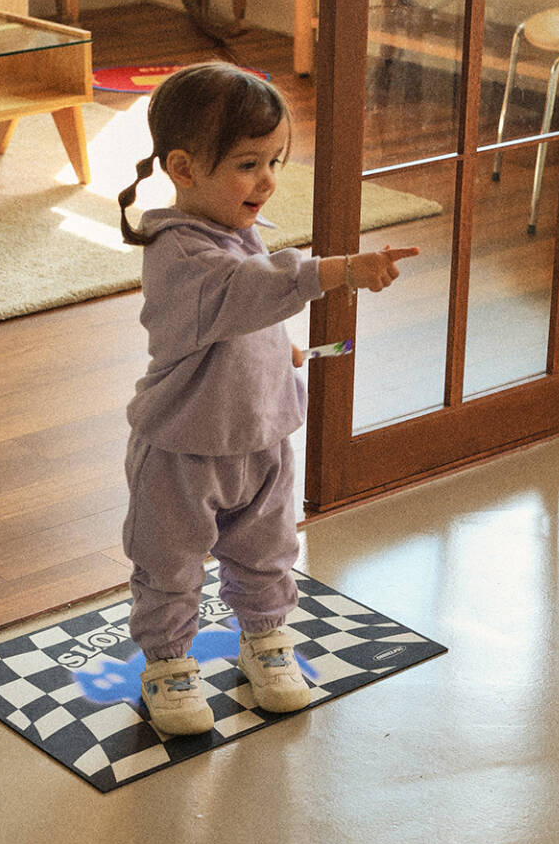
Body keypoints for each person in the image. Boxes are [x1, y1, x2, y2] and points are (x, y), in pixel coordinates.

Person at [117, 61, 419, 736]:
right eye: (248, 164)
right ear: (183, 168)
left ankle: (264, 635)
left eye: (274, 161)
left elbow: (246, 314)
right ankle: (167, 662)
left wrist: (274, 352)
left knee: (267, 548)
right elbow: (246, 289)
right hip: (184, 448)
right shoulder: (178, 251)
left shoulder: (234, 226)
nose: (268, 179)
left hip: (263, 435)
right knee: (169, 562)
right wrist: (340, 271)